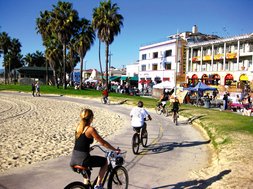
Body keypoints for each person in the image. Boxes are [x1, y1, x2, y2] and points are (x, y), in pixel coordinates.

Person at [70, 108, 120, 189]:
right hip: (83, 159)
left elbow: (79, 143)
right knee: (104, 162)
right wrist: (115, 149)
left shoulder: (78, 128)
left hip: (73, 159)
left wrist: (88, 149)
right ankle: (98, 185)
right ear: (91, 118)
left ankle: (85, 186)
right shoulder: (90, 129)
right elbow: (103, 142)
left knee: (87, 173)